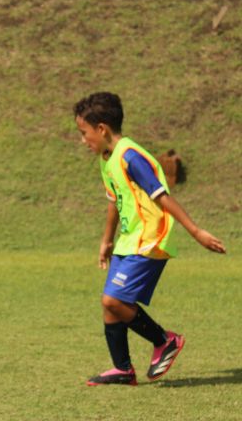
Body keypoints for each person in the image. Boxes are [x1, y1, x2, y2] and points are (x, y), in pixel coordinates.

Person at [73, 92, 226, 386]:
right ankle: (122, 370)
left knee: (114, 300)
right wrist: (106, 240)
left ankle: (164, 340)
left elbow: (162, 196)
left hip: (150, 239)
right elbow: (113, 200)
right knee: (110, 305)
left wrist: (196, 232)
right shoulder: (107, 160)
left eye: (84, 133)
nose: (83, 140)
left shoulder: (131, 156)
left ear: (102, 129)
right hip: (129, 240)